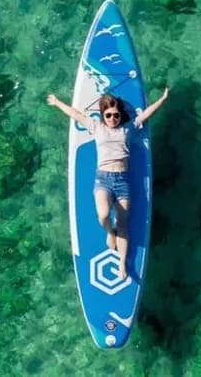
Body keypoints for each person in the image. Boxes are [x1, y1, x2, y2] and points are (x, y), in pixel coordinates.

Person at [47, 88, 169, 279]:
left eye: (116, 115)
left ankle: (122, 263)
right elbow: (76, 115)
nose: (113, 118)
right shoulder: (96, 127)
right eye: (109, 115)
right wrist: (57, 102)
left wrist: (162, 99)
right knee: (103, 215)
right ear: (103, 115)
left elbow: (146, 115)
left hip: (123, 181)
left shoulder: (127, 128)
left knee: (123, 222)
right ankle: (110, 233)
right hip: (103, 179)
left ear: (120, 115)